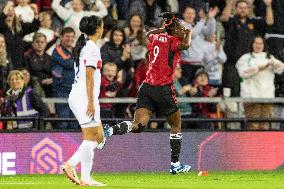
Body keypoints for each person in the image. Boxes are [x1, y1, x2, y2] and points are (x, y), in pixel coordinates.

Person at [104, 12, 192, 174]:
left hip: (146, 88)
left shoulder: (157, 38)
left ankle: (109, 131)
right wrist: (188, 33)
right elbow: (186, 45)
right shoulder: (173, 41)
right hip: (163, 89)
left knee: (138, 125)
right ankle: (175, 164)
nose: (182, 30)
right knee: (176, 125)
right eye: (179, 28)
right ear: (174, 30)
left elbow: (148, 34)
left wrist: (163, 28)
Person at [61, 15, 106, 186]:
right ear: (98, 28)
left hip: (82, 95)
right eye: (102, 26)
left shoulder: (84, 45)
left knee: (99, 136)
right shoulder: (92, 48)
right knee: (90, 137)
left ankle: (78, 170)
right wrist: (91, 102)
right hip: (84, 96)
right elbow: (89, 76)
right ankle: (74, 168)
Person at [236, 36, 284, 130]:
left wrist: (274, 63)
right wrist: (258, 68)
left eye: (260, 43)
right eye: (256, 43)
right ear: (252, 44)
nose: (258, 45)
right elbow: (243, 73)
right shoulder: (246, 57)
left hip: (267, 97)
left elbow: (281, 68)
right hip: (251, 97)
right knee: (253, 126)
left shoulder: (269, 57)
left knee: (265, 126)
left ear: (264, 45)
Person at [51, 27, 77, 129]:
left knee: (75, 121)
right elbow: (68, 63)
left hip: (76, 90)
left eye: (72, 36)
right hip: (62, 90)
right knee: (63, 121)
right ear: (61, 37)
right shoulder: (57, 50)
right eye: (67, 36)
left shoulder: (75, 50)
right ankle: (61, 144)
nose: (69, 39)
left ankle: (73, 145)